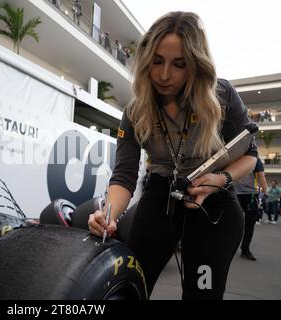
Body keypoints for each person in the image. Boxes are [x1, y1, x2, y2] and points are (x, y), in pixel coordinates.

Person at [88, 12, 258, 300]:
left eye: (178, 65)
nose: (164, 75)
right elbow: (124, 176)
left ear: (195, 65)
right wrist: (108, 215)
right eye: (157, 61)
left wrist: (220, 178)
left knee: (201, 294)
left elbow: (250, 155)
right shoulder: (134, 112)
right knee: (131, 286)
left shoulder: (222, 95)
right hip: (159, 199)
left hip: (213, 206)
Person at [234, 157, 267, 261]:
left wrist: (264, 189)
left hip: (244, 194)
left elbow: (261, 175)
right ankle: (245, 250)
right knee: (249, 224)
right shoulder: (254, 158)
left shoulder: (235, 156)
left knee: (234, 223)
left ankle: (242, 249)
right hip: (246, 195)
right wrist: (265, 191)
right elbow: (260, 175)